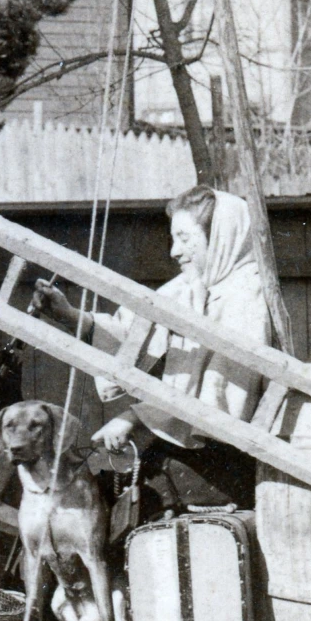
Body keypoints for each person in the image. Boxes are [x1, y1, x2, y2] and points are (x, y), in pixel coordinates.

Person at [29, 185, 271, 517]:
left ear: (220, 237)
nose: (174, 251)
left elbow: (220, 400)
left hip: (223, 460)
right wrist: (69, 315)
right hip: (183, 451)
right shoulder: (187, 288)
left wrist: (133, 419)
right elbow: (132, 333)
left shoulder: (247, 297)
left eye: (185, 238)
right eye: (173, 239)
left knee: (111, 501)